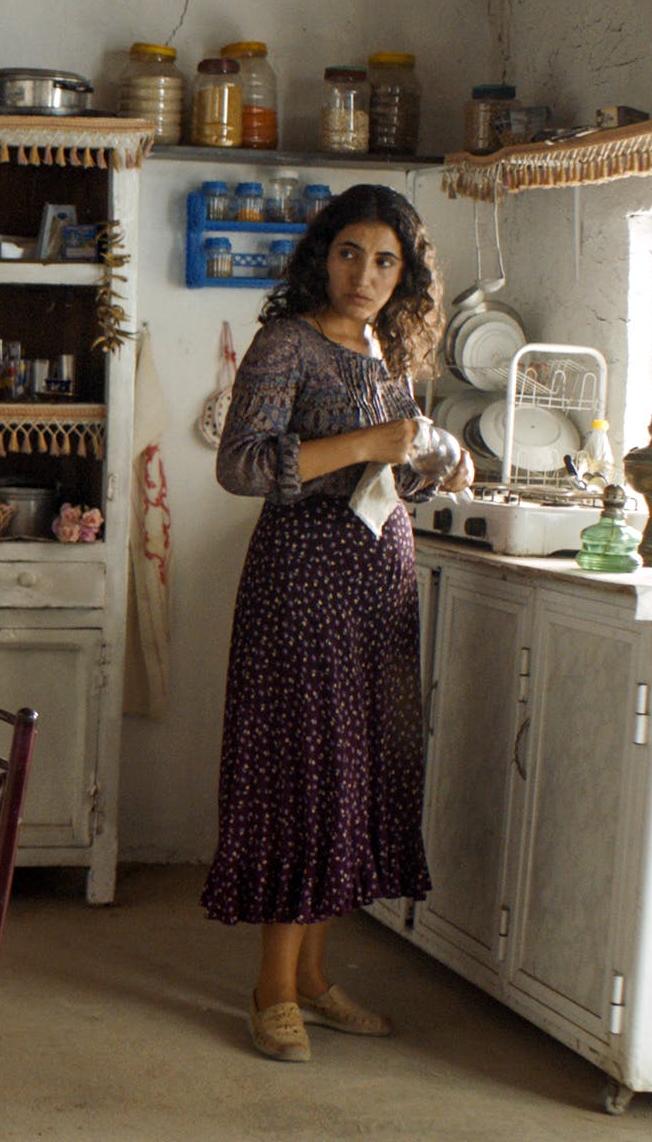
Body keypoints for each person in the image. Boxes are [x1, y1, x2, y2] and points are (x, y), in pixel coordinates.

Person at [203, 183, 471, 1064]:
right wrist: (365, 443)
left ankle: (314, 980)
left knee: (357, 777)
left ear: (407, 274)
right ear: (323, 255)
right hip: (302, 585)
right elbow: (241, 466)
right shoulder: (288, 342)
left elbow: (394, 469)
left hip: (378, 586)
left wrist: (440, 458)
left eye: (386, 260)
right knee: (306, 776)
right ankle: (270, 990)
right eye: (350, 253)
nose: (365, 274)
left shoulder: (388, 349)